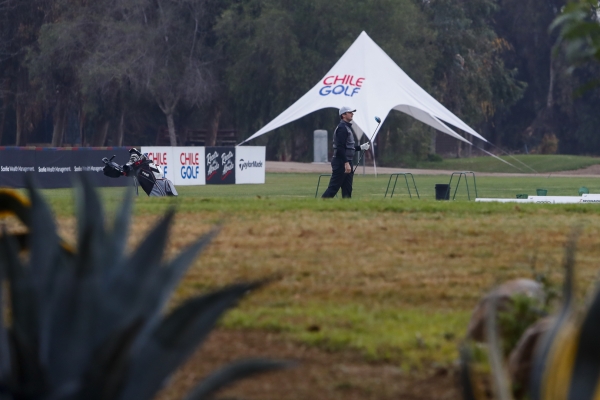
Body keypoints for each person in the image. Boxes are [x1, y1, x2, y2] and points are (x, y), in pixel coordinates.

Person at [321, 106, 370, 198]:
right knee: (333, 188)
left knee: (347, 189)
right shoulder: (342, 128)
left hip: (346, 161)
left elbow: (348, 148)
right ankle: (320, 205)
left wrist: (361, 147)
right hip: (341, 162)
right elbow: (340, 148)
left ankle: (346, 207)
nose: (352, 114)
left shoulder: (346, 127)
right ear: (343, 115)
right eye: (350, 112)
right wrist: (346, 163)